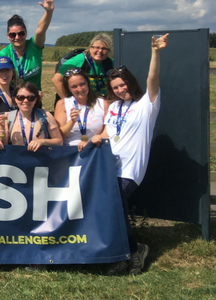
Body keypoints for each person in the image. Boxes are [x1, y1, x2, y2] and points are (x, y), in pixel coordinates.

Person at [90, 34, 168, 275]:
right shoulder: (113, 107)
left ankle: (130, 253)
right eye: (115, 87)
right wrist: (94, 138)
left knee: (115, 203)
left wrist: (155, 52)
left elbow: (152, 78)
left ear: (130, 83)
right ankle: (132, 250)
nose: (120, 89)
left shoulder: (147, 105)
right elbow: (108, 134)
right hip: (110, 166)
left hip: (131, 169)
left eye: (123, 85)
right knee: (112, 208)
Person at [0, 0, 54, 91]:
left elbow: (40, 31)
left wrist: (49, 12)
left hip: (34, 98)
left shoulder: (35, 46)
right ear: (8, 36)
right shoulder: (4, 54)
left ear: (26, 33)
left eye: (21, 33)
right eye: (13, 35)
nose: (17, 37)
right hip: (13, 98)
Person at [0, 82, 62, 151]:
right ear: (15, 99)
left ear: (36, 99)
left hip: (40, 159)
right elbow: (2, 145)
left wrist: (42, 141)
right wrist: (2, 128)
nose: (26, 101)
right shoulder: (9, 117)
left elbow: (59, 142)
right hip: (16, 159)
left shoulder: (45, 115)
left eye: (31, 98)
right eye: (21, 97)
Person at [54, 69, 110, 150]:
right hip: (70, 153)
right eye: (74, 87)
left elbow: (108, 131)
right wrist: (72, 122)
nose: (80, 89)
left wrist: (98, 138)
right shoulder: (63, 104)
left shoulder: (102, 103)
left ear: (88, 83)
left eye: (82, 84)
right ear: (69, 88)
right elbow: (58, 136)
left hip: (94, 150)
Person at [53, 33, 115, 104]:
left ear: (109, 51)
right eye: (96, 47)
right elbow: (57, 79)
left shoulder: (111, 63)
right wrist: (68, 102)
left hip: (101, 103)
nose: (100, 51)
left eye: (104, 48)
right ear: (90, 48)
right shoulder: (79, 60)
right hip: (78, 102)